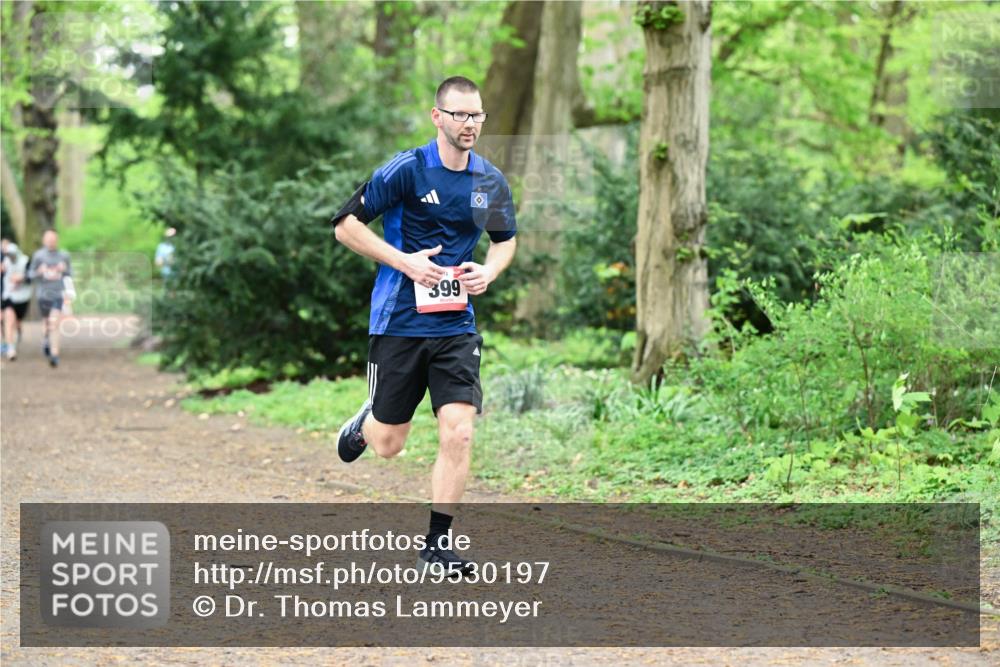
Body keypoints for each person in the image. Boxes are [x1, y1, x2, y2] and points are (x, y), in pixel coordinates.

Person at [331, 76, 517, 574]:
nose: (470, 124)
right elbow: (345, 225)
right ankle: (367, 421)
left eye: (476, 115)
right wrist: (406, 263)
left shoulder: (488, 181)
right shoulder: (408, 170)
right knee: (390, 445)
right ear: (438, 117)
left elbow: (504, 239)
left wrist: (489, 271)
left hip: (456, 326)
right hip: (398, 321)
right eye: (459, 115)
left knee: (459, 433)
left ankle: (437, 544)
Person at [29, 230, 74, 368]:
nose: (51, 241)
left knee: (54, 322)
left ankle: (54, 355)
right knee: (46, 323)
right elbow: (30, 274)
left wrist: (64, 269)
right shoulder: (38, 256)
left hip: (58, 294)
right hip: (43, 295)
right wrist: (39, 272)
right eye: (48, 239)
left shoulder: (64, 255)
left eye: (53, 239)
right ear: (44, 240)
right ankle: (46, 340)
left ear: (57, 240)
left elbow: (70, 274)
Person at [1, 240, 32, 361]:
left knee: (17, 321)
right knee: (9, 319)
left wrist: (22, 278)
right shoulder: (6, 261)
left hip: (23, 297)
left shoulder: (25, 261)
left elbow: (32, 276)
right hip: (9, 296)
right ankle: (10, 349)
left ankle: (18, 330)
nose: (10, 257)